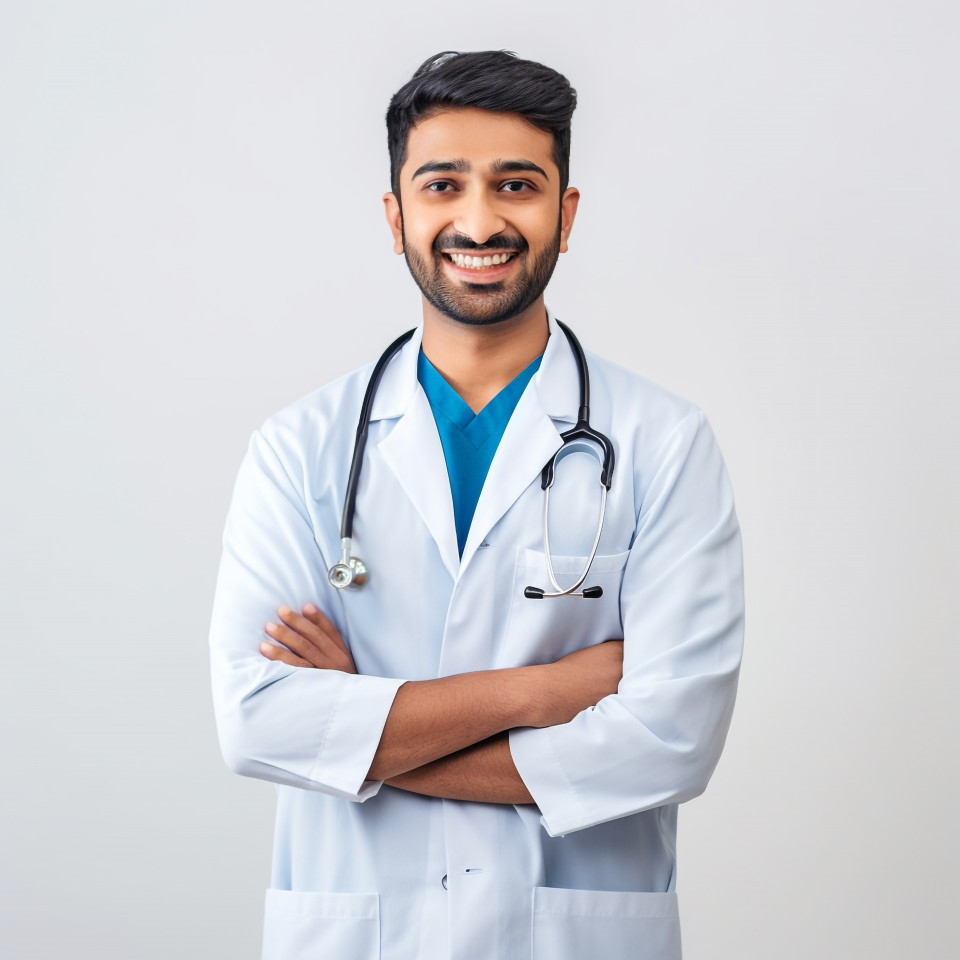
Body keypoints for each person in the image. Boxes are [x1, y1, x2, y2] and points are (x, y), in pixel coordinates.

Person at [209, 50, 744, 960]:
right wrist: (547, 690)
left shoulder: (663, 441)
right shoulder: (300, 447)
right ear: (397, 217)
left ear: (565, 215)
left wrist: (363, 734)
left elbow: (669, 740)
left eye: (518, 184)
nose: (480, 219)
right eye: (443, 184)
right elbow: (258, 721)